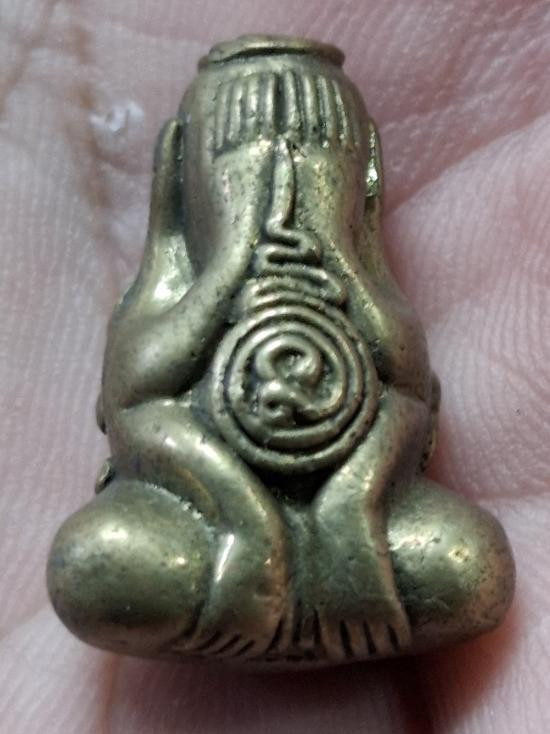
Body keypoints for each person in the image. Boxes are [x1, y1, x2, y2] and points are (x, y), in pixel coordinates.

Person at [1, 1, 547, 731]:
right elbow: (137, 414)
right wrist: (241, 511)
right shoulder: (173, 287)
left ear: (362, 173)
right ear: (184, 170)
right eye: (240, 155)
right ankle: (286, 589)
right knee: (93, 563)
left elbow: (410, 405)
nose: (281, 178)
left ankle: (287, 594)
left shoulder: (361, 289)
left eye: (319, 151)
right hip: (203, 525)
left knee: (470, 565)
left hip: (354, 523)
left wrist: (354, 500)